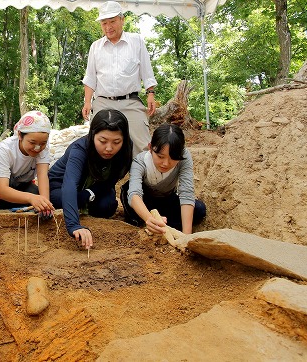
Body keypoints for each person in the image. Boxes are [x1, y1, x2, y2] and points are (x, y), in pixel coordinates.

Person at [49, 109, 133, 250]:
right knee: (63, 198)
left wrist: (88, 194)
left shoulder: (126, 149)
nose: (109, 148)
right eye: (102, 141)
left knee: (107, 206)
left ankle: (83, 202)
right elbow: (69, 184)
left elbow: (112, 180)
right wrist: (74, 225)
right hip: (60, 186)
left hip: (95, 188)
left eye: (117, 142)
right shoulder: (80, 149)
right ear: (92, 135)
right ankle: (81, 204)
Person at [82, 1, 157, 156]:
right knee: (97, 144)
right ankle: (98, 178)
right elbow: (90, 78)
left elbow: (146, 72)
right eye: (104, 23)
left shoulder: (137, 41)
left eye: (112, 21)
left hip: (131, 101)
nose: (108, 27)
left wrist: (150, 94)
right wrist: (87, 102)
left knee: (142, 146)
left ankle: (140, 179)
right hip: (103, 102)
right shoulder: (95, 47)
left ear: (122, 20)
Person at [120, 123, 206, 235]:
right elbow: (134, 194)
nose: (165, 163)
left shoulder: (184, 157)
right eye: (160, 157)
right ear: (150, 148)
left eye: (173, 158)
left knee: (199, 209)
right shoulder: (140, 161)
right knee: (133, 207)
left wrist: (186, 237)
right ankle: (148, 223)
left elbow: (186, 193)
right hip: (144, 201)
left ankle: (161, 224)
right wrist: (149, 218)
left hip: (166, 199)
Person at [0, 110, 54, 218]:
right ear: (20, 135)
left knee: (38, 196)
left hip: (22, 185)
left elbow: (43, 176)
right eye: (32, 143)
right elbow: (2, 191)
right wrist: (31, 199)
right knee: (30, 197)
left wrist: (45, 203)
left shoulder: (44, 149)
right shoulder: (5, 149)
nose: (37, 148)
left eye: (42, 143)